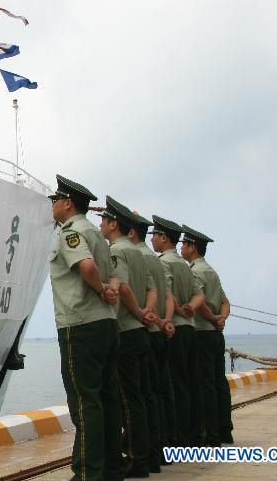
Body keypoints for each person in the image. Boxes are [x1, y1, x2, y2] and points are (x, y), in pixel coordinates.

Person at [48, 175, 124, 481]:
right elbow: (116, 276)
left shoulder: (72, 233)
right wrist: (108, 290)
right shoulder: (97, 234)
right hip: (106, 324)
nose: (52, 205)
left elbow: (88, 268)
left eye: (55, 200)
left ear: (68, 203)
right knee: (107, 399)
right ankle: (111, 469)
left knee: (84, 402)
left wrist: (99, 288)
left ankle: (87, 474)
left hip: (79, 325)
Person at [98, 197, 160, 477]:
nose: (100, 224)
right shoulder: (138, 252)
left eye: (104, 219)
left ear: (114, 223)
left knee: (129, 400)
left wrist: (137, 313)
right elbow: (152, 288)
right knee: (146, 396)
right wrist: (148, 312)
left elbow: (121, 288)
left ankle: (137, 459)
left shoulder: (116, 252)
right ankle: (152, 456)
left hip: (125, 329)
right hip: (143, 332)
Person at [152, 215, 205, 448]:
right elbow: (199, 294)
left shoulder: (163, 263)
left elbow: (167, 292)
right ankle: (195, 435)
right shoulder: (183, 265)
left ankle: (178, 438)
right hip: (191, 330)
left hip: (172, 328)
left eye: (154, 235)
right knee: (191, 384)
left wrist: (177, 313)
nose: (152, 240)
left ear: (164, 238)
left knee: (173, 385)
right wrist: (190, 308)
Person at [130, 212, 177, 463]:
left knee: (141, 394)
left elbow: (140, 295)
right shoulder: (157, 261)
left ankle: (146, 452)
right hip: (160, 330)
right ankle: (164, 448)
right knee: (159, 391)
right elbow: (166, 295)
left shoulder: (135, 256)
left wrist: (157, 321)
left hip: (145, 328)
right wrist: (166, 321)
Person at [182, 225, 233, 446]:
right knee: (219, 383)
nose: (181, 248)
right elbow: (225, 302)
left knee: (205, 386)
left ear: (193, 247)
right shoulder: (211, 271)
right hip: (215, 335)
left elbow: (199, 299)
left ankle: (209, 434)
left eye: (184, 244)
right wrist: (221, 319)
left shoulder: (194, 271)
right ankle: (224, 430)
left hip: (202, 332)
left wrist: (213, 318)